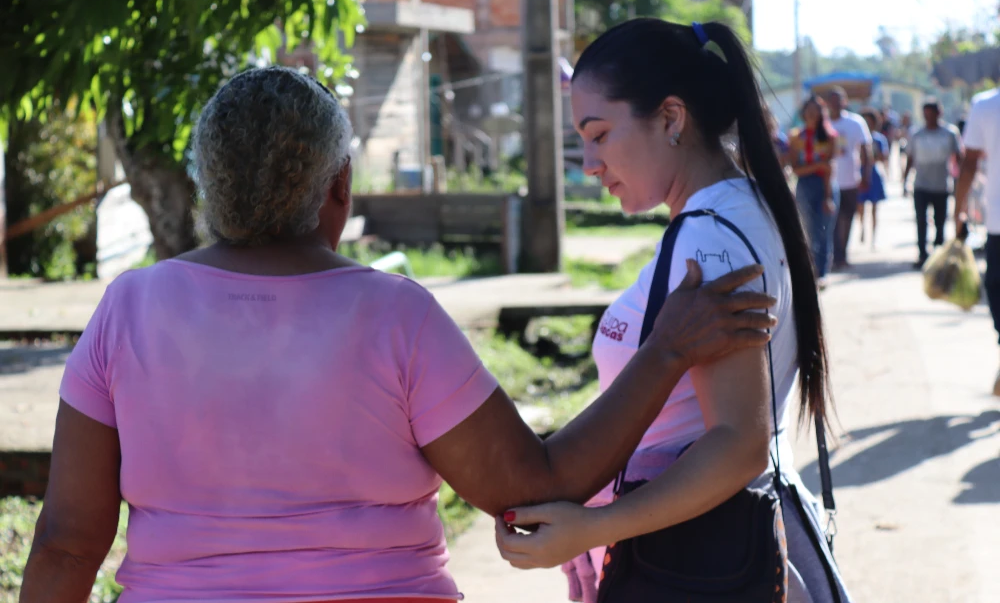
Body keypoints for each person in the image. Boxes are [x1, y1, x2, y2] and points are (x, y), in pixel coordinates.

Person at [18, 67, 778, 603]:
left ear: (211, 185)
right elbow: (535, 489)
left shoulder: (129, 308)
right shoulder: (393, 315)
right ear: (340, 187)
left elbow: (65, 544)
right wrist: (668, 352)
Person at [494, 19, 853, 603]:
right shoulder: (737, 208)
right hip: (696, 551)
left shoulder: (708, 241)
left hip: (693, 563)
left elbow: (739, 443)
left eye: (600, 134)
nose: (588, 162)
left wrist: (595, 527)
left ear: (670, 118)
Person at [956, 87, 1000, 396]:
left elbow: (970, 162)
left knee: (997, 290)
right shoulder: (985, 105)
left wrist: (957, 211)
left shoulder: (985, 105)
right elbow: (969, 163)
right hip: (997, 222)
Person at [784, 95, 839, 285]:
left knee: (824, 229)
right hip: (805, 186)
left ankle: (822, 272)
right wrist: (819, 165)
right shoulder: (795, 136)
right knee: (807, 230)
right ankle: (810, 270)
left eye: (816, 111)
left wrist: (828, 196)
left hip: (826, 185)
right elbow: (795, 168)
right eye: (809, 110)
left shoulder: (830, 136)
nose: (812, 114)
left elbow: (829, 169)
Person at [905, 99, 964, 268]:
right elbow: (910, 158)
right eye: (926, 115)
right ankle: (922, 254)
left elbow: (959, 158)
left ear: (939, 114)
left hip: (941, 186)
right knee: (921, 221)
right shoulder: (917, 134)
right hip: (921, 185)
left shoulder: (950, 133)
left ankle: (939, 255)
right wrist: (905, 180)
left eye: (932, 114)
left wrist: (960, 181)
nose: (928, 118)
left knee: (940, 222)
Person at [828, 87, 872, 271]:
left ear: (845, 102)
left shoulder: (855, 123)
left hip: (850, 181)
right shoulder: (822, 123)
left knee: (847, 218)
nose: (836, 104)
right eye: (832, 100)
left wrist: (866, 175)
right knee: (833, 221)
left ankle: (842, 254)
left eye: (839, 100)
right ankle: (834, 255)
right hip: (828, 183)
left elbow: (865, 151)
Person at [857, 108, 889, 247]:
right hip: (860, 171)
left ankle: (874, 236)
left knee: (875, 208)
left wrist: (873, 154)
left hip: (874, 173)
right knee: (861, 206)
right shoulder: (859, 137)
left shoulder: (879, 139)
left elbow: (883, 157)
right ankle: (862, 227)